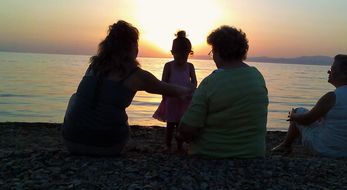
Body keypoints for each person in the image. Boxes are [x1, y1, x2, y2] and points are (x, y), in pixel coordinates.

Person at [62, 20, 190, 156]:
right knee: (117, 114)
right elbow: (172, 90)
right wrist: (192, 91)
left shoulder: (93, 67)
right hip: (108, 147)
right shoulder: (136, 75)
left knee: (75, 98)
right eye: (136, 44)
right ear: (131, 47)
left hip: (71, 142)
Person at [177, 26, 269, 158]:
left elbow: (188, 129)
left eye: (212, 51)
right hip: (254, 155)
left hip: (212, 155)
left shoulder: (210, 82)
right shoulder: (257, 77)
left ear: (218, 52)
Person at [272, 54, 347, 157]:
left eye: (333, 69)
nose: (329, 71)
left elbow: (307, 119)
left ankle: (285, 145)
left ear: (345, 73)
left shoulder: (333, 96)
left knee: (299, 111)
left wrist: (293, 116)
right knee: (316, 119)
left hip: (327, 149)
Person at [153, 31, 197, 152]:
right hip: (171, 100)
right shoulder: (169, 66)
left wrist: (191, 88)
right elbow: (163, 82)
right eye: (178, 56)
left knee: (181, 125)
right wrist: (164, 97)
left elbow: (194, 81)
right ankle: (167, 145)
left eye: (185, 56)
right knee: (170, 124)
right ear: (172, 53)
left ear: (189, 53)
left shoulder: (190, 66)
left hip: (185, 100)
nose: (181, 59)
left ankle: (179, 145)